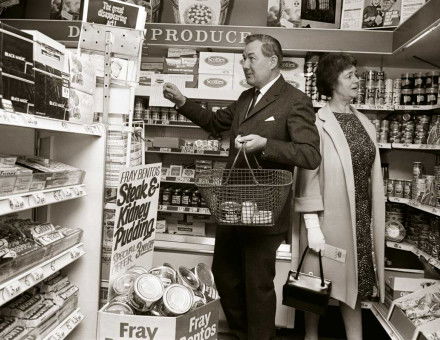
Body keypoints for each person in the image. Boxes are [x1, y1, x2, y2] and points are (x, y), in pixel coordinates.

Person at [163, 34, 321, 340]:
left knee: (257, 286)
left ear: (273, 61)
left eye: (251, 57)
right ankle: (239, 334)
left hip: (265, 212)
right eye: (243, 57)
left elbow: (310, 154)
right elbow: (213, 122)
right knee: (225, 277)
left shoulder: (295, 100)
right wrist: (183, 102)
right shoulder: (246, 98)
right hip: (231, 210)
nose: (244, 64)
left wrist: (266, 144)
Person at [294, 53, 385, 340]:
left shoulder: (364, 122)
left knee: (353, 285)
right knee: (314, 284)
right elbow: (307, 175)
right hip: (326, 219)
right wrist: (311, 225)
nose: (357, 80)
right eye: (350, 76)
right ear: (333, 82)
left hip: (359, 218)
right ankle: (310, 336)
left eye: (356, 75)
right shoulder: (317, 123)